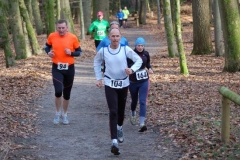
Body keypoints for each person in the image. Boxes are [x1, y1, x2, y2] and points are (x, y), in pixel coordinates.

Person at [93, 29, 142, 155]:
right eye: (113, 36)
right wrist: (99, 78)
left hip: (124, 83)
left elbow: (139, 60)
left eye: (117, 36)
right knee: (113, 111)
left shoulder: (125, 49)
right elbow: (96, 61)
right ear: (109, 37)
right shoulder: (104, 51)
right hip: (110, 83)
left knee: (121, 111)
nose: (115, 38)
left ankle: (119, 127)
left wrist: (132, 70)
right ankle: (114, 141)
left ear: (120, 37)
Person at [44, 19, 82, 125]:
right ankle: (57, 113)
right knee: (58, 91)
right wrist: (48, 53)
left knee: (67, 94)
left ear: (67, 28)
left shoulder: (73, 37)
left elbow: (79, 52)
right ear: (57, 28)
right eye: (59, 28)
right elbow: (46, 46)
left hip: (69, 68)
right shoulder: (52, 36)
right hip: (57, 68)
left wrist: (71, 53)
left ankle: (64, 114)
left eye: (63, 28)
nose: (61, 30)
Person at [128, 37, 153, 132]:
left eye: (142, 45)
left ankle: (142, 124)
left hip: (144, 81)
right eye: (138, 45)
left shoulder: (146, 54)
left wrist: (150, 68)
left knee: (142, 101)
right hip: (133, 82)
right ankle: (133, 112)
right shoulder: (131, 54)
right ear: (135, 46)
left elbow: (148, 63)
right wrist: (133, 68)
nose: (140, 47)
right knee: (134, 100)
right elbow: (128, 65)